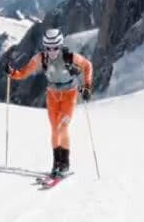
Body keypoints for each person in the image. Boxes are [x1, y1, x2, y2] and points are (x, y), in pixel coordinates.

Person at [7, 28, 93, 177]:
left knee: (63, 126)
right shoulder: (41, 58)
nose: (52, 51)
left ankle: (64, 164)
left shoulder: (69, 57)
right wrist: (13, 73)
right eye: (48, 48)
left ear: (60, 45)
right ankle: (56, 164)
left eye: (55, 47)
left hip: (69, 95)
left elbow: (87, 65)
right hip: (52, 96)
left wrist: (87, 87)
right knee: (54, 129)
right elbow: (24, 73)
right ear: (44, 47)